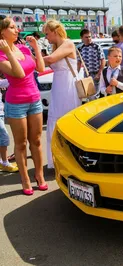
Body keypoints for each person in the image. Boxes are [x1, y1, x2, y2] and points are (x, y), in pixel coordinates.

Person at [0, 17, 46, 195]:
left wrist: (36, 48)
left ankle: (39, 175)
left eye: (16, 27)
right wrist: (8, 51)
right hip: (16, 103)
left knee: (36, 141)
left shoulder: (24, 48)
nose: (16, 30)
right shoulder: (2, 55)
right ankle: (25, 179)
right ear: (2, 32)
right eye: (12, 27)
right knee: (21, 144)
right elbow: (18, 74)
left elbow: (40, 69)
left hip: (34, 100)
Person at [42, 19, 81, 169]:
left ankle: (71, 159)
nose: (46, 37)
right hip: (59, 86)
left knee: (66, 120)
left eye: (47, 33)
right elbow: (49, 64)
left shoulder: (68, 43)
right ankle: (57, 159)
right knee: (54, 120)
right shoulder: (56, 47)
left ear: (55, 31)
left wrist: (32, 57)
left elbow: (50, 60)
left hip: (68, 87)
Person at [77, 29, 106, 100]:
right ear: (81, 38)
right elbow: (79, 62)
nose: (88, 39)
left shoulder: (96, 47)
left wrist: (99, 73)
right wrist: (76, 75)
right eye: (86, 37)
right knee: (88, 96)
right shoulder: (80, 48)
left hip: (96, 74)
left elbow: (103, 60)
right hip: (86, 75)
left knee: (95, 96)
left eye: (89, 37)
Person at [0, 79, 18, 173]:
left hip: (1, 111)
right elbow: (11, 81)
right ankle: (4, 163)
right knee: (4, 137)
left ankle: (3, 162)